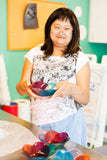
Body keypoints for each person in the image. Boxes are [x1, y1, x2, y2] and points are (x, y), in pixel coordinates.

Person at [16, 7, 90, 147]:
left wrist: (71, 88)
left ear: (73, 33)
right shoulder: (34, 53)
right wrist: (24, 87)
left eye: (67, 28)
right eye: (57, 26)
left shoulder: (80, 58)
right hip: (39, 123)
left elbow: (85, 98)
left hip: (70, 124)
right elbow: (20, 88)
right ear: (49, 28)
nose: (61, 32)